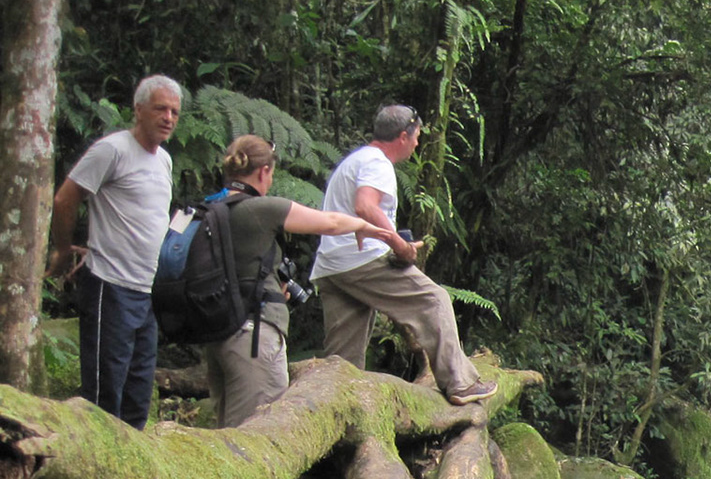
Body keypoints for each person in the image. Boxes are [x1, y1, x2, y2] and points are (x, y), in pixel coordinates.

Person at [201, 135, 403, 427]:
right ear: (263, 172)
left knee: (227, 431)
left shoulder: (212, 210)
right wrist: (365, 226)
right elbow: (330, 222)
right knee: (259, 433)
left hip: (217, 334)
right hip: (254, 335)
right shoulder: (260, 209)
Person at [312, 104, 495, 405]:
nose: (417, 144)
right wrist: (398, 243)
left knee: (343, 359)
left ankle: (337, 409)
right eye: (417, 137)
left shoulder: (355, 160)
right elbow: (365, 206)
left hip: (333, 265)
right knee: (434, 300)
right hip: (362, 258)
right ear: (402, 136)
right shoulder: (377, 163)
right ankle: (460, 383)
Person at [47, 74, 181, 427]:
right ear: (138, 110)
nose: (168, 117)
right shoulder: (114, 149)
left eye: (174, 112)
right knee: (104, 394)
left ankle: (132, 475)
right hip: (110, 284)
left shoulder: (164, 161)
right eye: (160, 109)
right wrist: (62, 249)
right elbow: (65, 198)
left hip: (146, 290)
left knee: (139, 393)